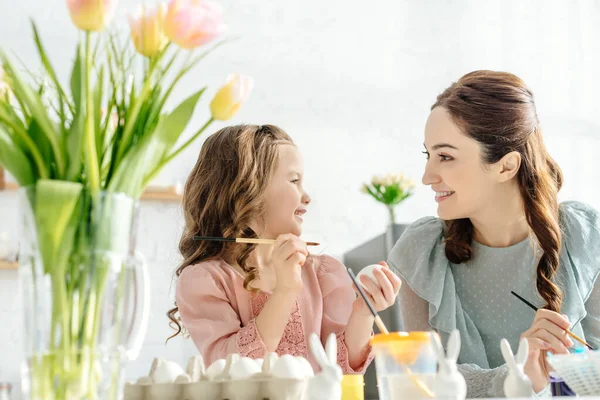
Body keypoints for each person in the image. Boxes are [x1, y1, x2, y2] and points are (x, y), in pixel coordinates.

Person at [388, 70, 600, 398]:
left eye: (445, 156)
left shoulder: (584, 236)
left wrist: (556, 372)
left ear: (506, 166)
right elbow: (422, 383)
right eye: (428, 155)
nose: (427, 176)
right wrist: (518, 377)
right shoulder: (422, 253)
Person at [167, 124, 402, 373]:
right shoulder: (206, 280)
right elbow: (229, 368)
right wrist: (285, 291)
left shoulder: (323, 273)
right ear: (245, 191)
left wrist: (363, 312)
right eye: (294, 181)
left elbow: (341, 367)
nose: (307, 196)